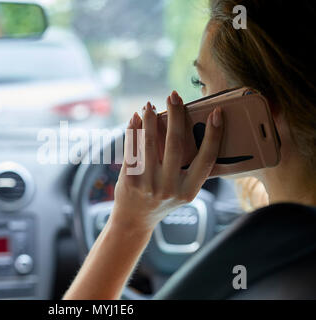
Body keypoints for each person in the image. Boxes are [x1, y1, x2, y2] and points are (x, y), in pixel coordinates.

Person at [63, 0, 316, 300]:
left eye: (201, 84)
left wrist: (129, 223)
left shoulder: (266, 256)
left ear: (259, 110)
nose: (192, 104)